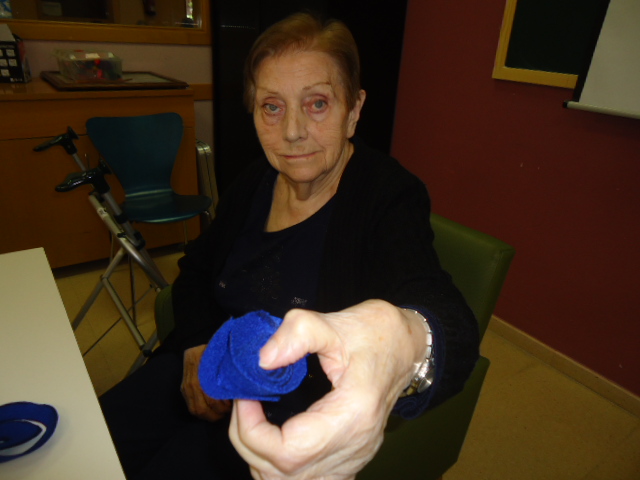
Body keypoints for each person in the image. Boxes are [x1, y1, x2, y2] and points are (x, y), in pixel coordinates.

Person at [100, 12, 479, 480]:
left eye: (317, 103)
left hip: (286, 412)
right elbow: (196, 269)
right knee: (92, 443)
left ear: (354, 110)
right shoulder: (255, 181)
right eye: (272, 107)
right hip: (205, 364)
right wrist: (198, 344)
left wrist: (406, 345)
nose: (293, 131)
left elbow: (450, 322)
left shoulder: (388, 196)